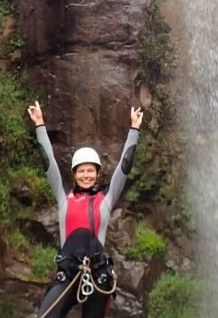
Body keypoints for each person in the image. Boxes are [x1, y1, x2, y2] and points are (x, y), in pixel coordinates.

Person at [27, 101, 144, 318]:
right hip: (68, 272)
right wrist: (40, 125)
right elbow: (48, 162)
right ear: (74, 174)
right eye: (81, 171)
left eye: (91, 171)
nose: (86, 175)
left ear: (98, 174)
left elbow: (125, 166)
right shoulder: (64, 197)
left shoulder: (106, 198)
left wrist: (134, 130)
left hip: (98, 274)